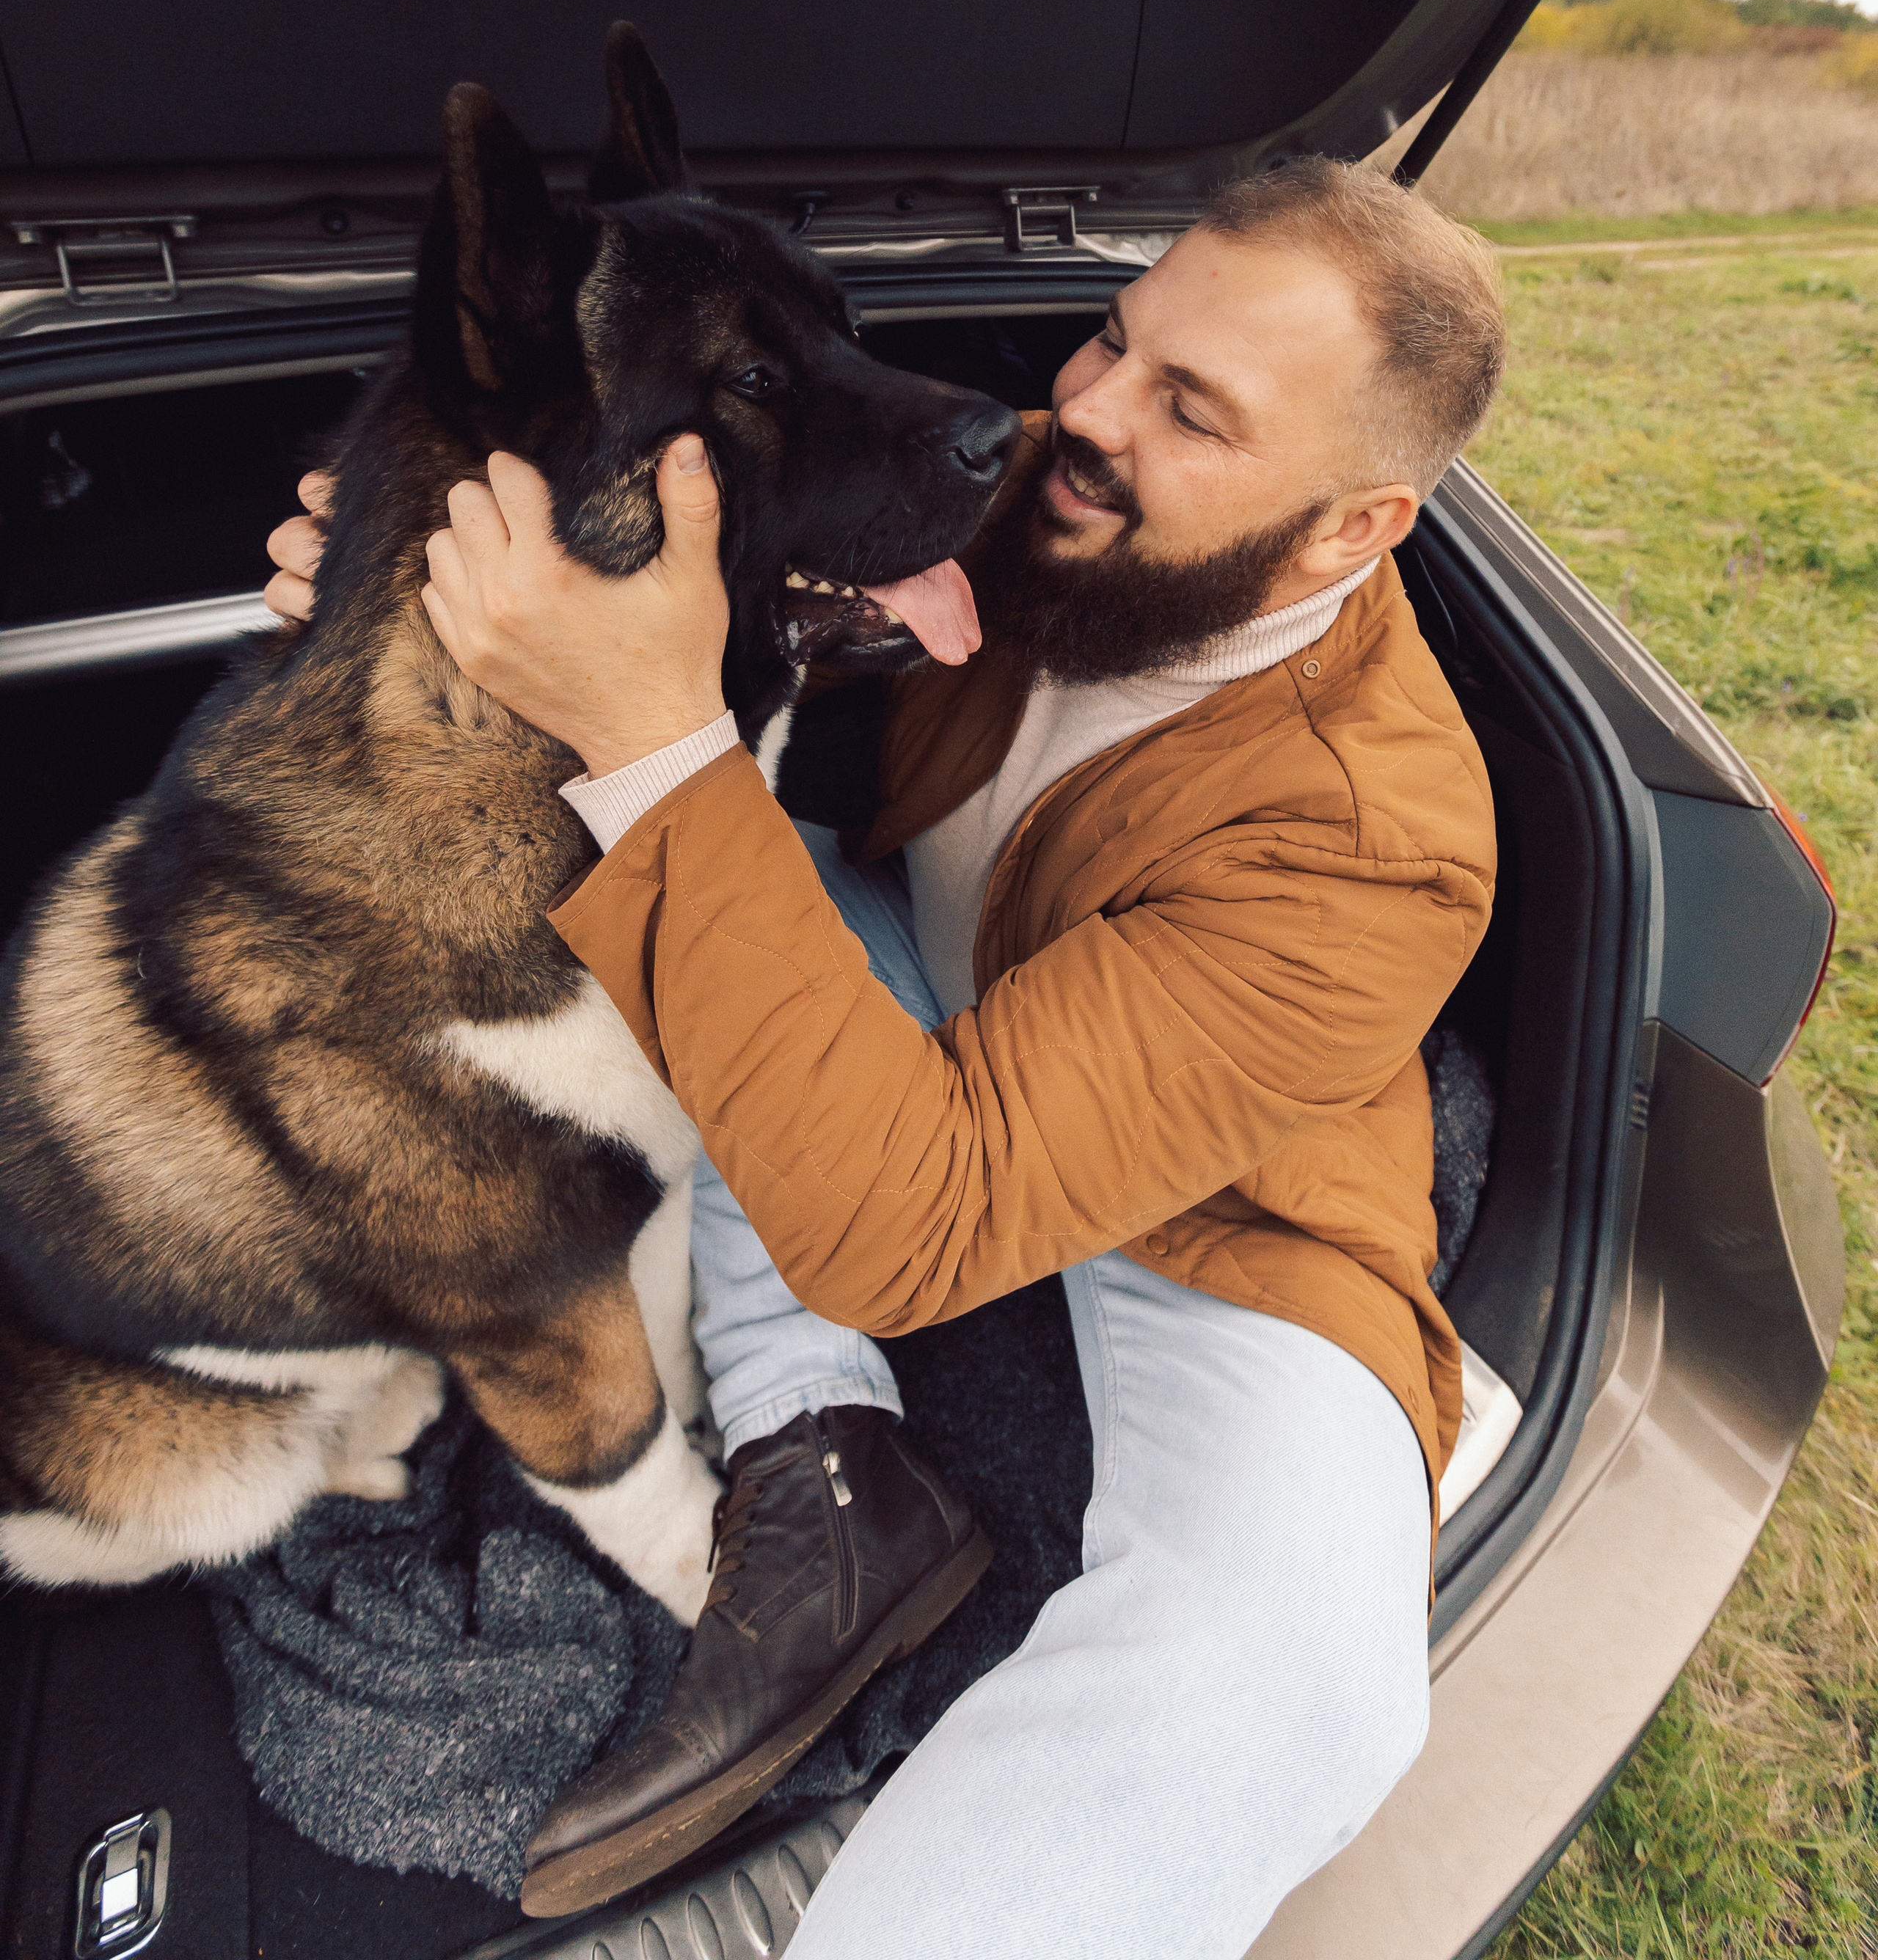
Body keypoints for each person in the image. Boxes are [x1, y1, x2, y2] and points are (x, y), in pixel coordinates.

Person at [267, 157, 1502, 1959]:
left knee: (1301, 1689)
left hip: (1211, 1215)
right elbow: (692, 576)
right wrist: (452, 590)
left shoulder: (1374, 837)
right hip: (914, 979)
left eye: (1188, 411)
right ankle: (826, 1463)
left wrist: (645, 722)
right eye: (1110, 337)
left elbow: (908, 1221)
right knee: (683, 891)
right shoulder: (1048, 500)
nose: (1073, 413)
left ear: (1344, 532)